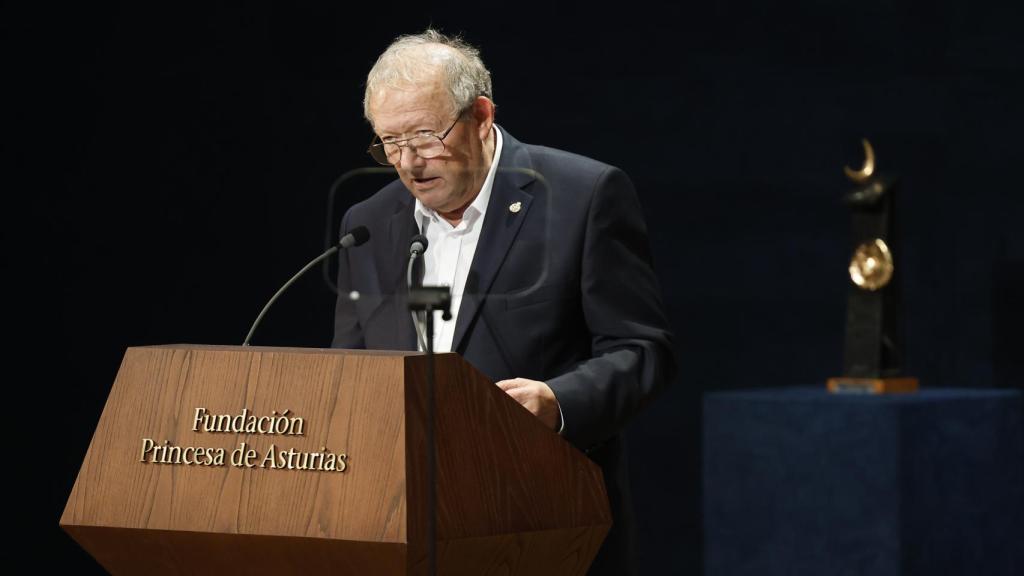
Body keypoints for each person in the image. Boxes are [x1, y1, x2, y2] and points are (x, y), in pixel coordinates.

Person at [332, 29, 675, 575]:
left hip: (543, 523)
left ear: (482, 115)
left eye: (424, 136)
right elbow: (350, 375)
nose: (408, 163)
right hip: (401, 531)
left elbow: (643, 350)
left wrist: (558, 402)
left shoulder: (582, 196)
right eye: (389, 143)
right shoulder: (368, 224)